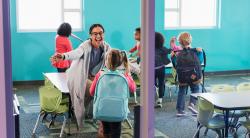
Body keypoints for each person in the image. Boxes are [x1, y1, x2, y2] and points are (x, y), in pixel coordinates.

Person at [51, 24, 111, 127]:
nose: (98, 36)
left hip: (90, 76)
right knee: (96, 90)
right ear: (90, 35)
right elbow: (76, 52)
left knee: (90, 94)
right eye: (95, 34)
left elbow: (118, 57)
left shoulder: (106, 47)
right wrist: (64, 56)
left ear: (103, 34)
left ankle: (79, 110)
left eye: (100, 33)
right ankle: (93, 115)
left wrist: (137, 69)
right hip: (77, 75)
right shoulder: (85, 46)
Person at [90, 49, 136, 138]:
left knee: (105, 130)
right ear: (120, 62)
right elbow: (133, 88)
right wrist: (129, 76)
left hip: (103, 109)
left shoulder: (100, 74)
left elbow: (91, 92)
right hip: (118, 111)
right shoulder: (124, 76)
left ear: (106, 61)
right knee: (116, 130)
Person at [172, 32, 203, 117]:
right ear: (190, 40)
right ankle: (192, 104)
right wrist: (200, 53)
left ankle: (180, 110)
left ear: (179, 42)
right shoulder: (196, 51)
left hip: (182, 76)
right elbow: (200, 61)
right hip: (194, 75)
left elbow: (175, 65)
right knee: (196, 89)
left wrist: (173, 57)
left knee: (181, 91)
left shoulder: (177, 53)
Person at [155, 32, 171, 108]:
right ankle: (160, 99)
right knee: (161, 83)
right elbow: (169, 51)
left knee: (152, 84)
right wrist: (172, 44)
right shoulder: (163, 48)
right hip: (161, 69)